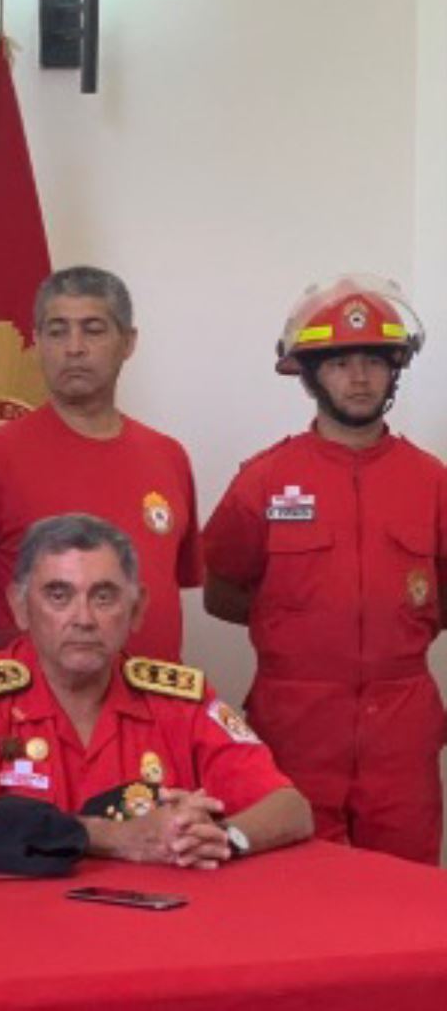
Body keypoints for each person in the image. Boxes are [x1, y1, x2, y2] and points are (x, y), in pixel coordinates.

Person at [0, 513, 312, 868]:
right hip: (10, 921)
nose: (83, 618)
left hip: (153, 927)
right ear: (19, 606)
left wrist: (220, 838)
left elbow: (291, 808)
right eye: (58, 595)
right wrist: (117, 838)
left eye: (104, 597)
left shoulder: (179, 698)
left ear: (136, 610)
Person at [203, 276, 445, 864]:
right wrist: (302, 636)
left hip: (401, 734)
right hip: (294, 730)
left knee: (407, 899)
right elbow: (221, 592)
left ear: (395, 370)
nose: (358, 377)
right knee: (300, 893)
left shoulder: (433, 481)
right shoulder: (261, 480)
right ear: (310, 374)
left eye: (373, 361)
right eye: (339, 362)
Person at [0, 266, 201, 660]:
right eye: (57, 330)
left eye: (93, 329)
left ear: (128, 342)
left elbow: (168, 586)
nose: (73, 347)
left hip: (154, 711)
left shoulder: (169, 456)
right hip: (34, 710)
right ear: (37, 341)